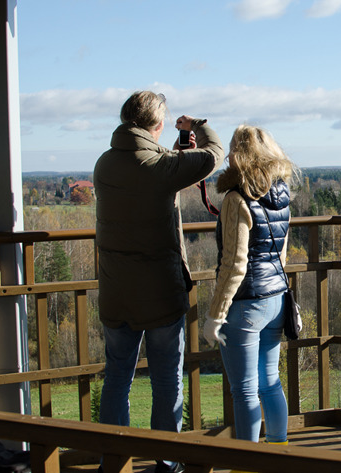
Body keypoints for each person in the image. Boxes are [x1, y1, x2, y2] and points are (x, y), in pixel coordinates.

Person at [94, 90, 224, 473]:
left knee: (117, 377)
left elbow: (153, 167)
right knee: (166, 380)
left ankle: (113, 459)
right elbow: (214, 154)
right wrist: (198, 127)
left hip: (116, 291)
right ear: (157, 123)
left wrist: (174, 147)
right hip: (160, 293)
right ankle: (166, 462)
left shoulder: (105, 163)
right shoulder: (157, 168)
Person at [204, 125, 299, 457]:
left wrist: (215, 316)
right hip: (277, 297)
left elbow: (234, 263)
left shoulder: (236, 197)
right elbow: (281, 253)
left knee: (244, 390)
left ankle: (248, 462)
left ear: (238, 154)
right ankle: (279, 451)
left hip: (246, 304)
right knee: (269, 381)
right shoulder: (282, 193)